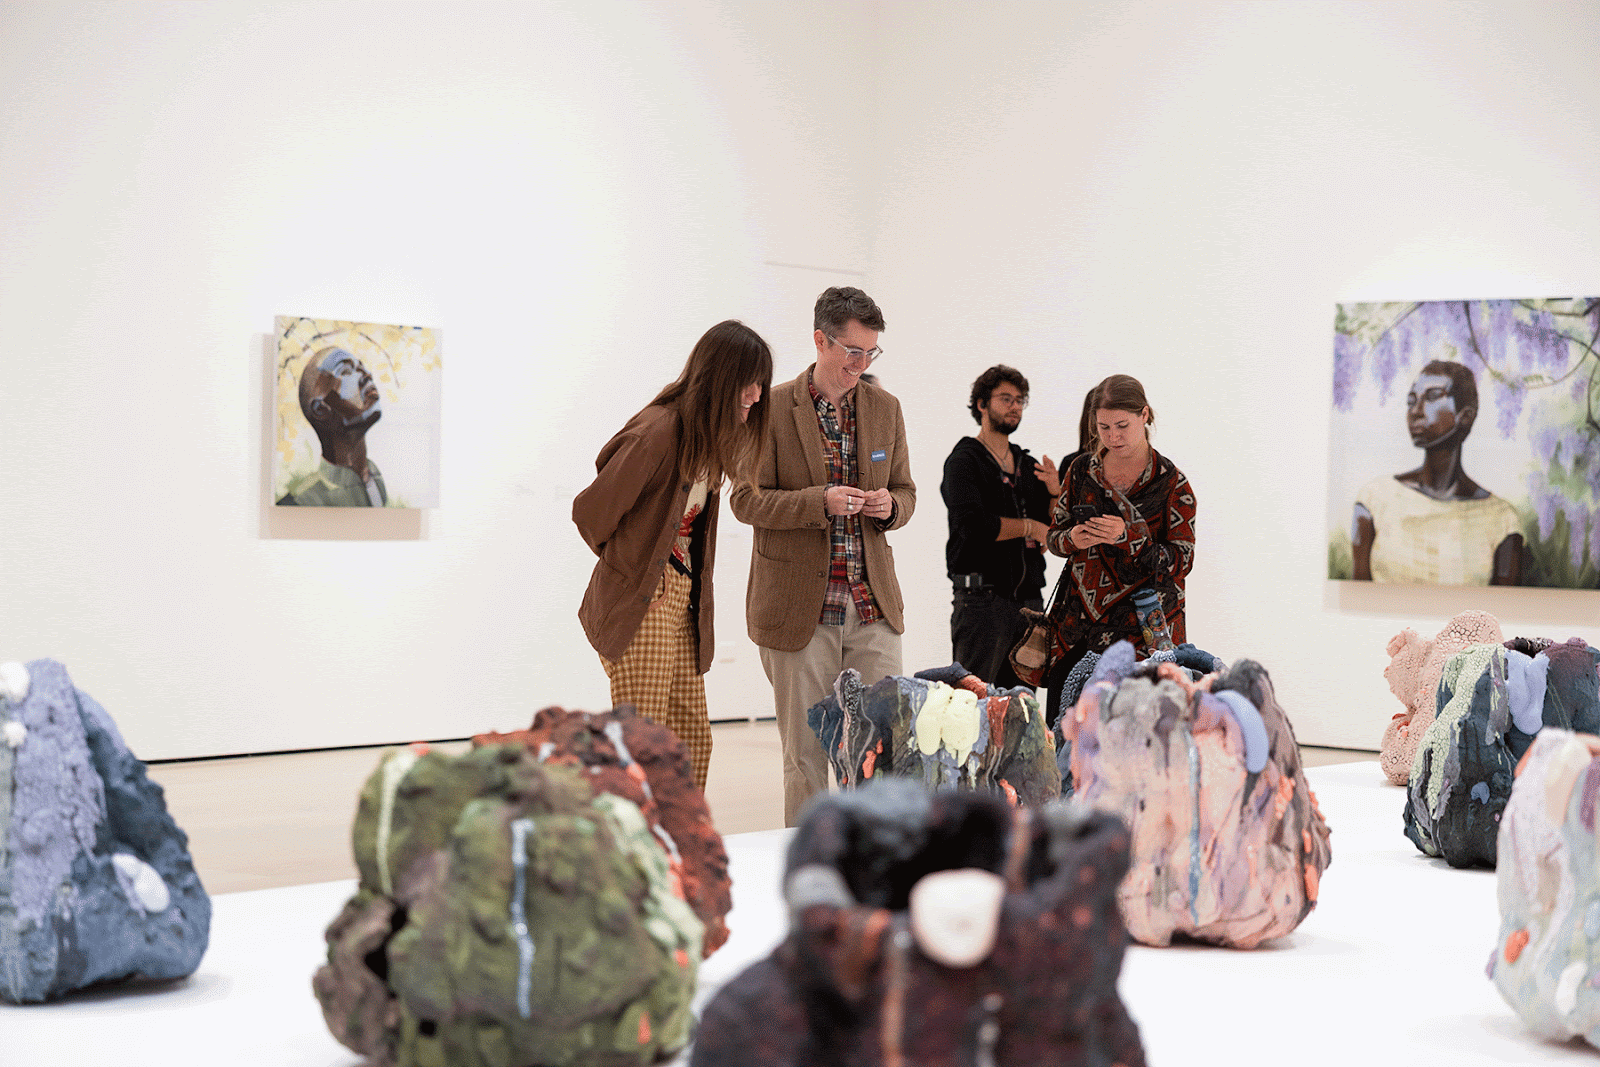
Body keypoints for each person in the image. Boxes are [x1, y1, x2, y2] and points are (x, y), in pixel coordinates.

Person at [730, 286, 915, 826]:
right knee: (807, 759)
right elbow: (745, 498)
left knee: (883, 753)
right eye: (851, 351)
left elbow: (907, 492)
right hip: (800, 613)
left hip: (872, 607)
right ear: (820, 340)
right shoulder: (772, 410)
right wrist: (820, 503)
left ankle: (877, 863)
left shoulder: (885, 409)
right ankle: (810, 873)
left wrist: (888, 506)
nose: (860, 365)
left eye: (870, 353)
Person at [573, 319, 773, 789]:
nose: (757, 394)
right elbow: (591, 513)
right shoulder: (659, 432)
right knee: (642, 745)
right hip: (646, 601)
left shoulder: (706, 437)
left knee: (690, 742)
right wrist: (640, 568)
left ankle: (677, 842)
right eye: (749, 381)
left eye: (760, 383)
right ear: (721, 378)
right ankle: (633, 852)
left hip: (681, 600)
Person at [1042, 374, 1196, 726]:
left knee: (1138, 741)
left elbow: (1182, 560)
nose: (1113, 436)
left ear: (1145, 415)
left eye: (1122, 425)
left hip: (1145, 632)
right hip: (1078, 628)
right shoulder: (1082, 471)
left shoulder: (1172, 482)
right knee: (1067, 733)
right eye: (1104, 427)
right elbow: (1055, 537)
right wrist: (1074, 539)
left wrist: (1130, 536)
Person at [940, 365, 1060, 689]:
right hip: (981, 603)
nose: (1015, 406)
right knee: (971, 711)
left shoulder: (1027, 464)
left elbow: (1049, 532)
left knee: (1021, 716)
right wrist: (1029, 528)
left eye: (1020, 400)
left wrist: (1054, 492)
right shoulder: (964, 461)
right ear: (981, 404)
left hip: (1030, 606)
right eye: (1006, 398)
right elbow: (974, 526)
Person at [1351, 360, 1522, 585]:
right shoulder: (1374, 500)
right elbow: (1359, 602)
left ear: (1466, 415)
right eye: (1411, 400)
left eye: (1431, 397)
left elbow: (1504, 611)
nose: (1415, 411)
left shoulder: (1502, 520)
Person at [279, 347, 388, 506]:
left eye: (361, 367)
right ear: (320, 409)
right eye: (346, 371)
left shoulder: (376, 480)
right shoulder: (299, 502)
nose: (366, 375)